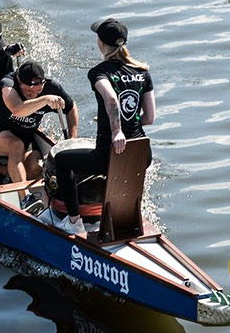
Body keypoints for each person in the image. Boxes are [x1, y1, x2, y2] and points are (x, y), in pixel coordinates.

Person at [46, 18, 155, 238]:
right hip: (142, 154)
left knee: (62, 161)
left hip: (109, 154)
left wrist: (117, 132)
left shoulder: (99, 72)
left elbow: (112, 99)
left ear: (101, 43)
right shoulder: (142, 72)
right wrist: (129, 125)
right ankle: (128, 218)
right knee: (125, 171)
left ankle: (74, 221)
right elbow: (150, 118)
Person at [0, 61, 78, 211]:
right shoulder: (8, 85)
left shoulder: (52, 87)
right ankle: (25, 199)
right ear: (19, 81)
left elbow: (71, 108)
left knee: (35, 168)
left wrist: (72, 140)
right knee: (16, 145)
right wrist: (44, 99)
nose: (33, 96)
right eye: (29, 92)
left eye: (38, 92)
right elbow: (18, 110)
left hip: (24, 134)